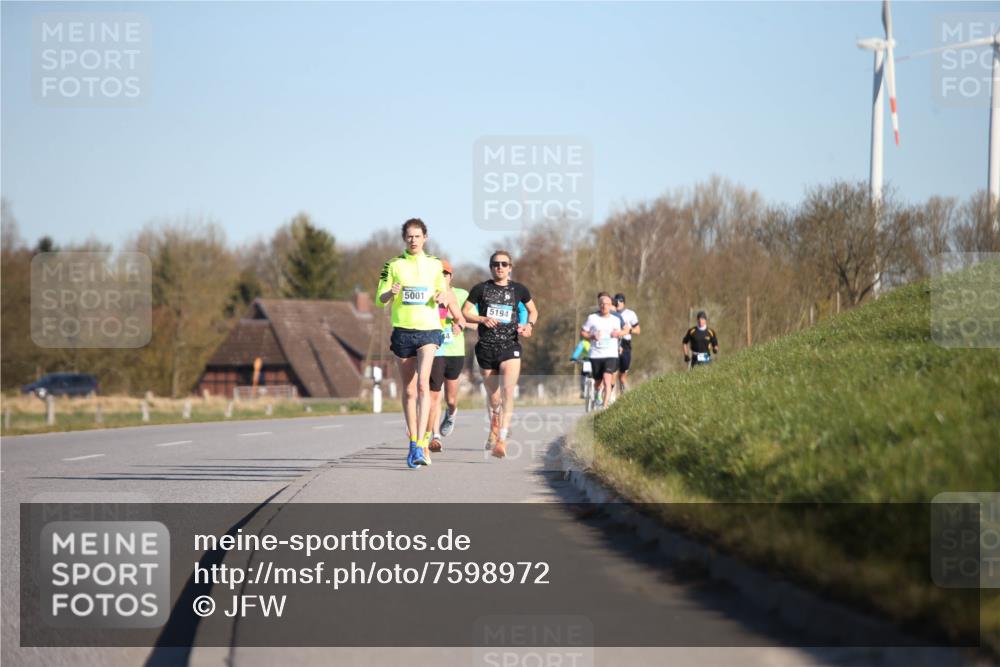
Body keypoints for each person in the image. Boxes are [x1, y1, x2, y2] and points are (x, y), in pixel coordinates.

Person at [377, 218, 466, 469]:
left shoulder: (435, 265)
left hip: (429, 330)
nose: (413, 240)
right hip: (403, 331)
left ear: (425, 237)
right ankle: (413, 440)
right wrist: (390, 293)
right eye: (409, 236)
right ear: (404, 239)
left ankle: (424, 441)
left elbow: (444, 292)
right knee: (408, 390)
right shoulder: (393, 265)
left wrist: (441, 296)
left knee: (425, 386)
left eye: (417, 236)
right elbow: (379, 298)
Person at [463, 249, 538, 458]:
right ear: (491, 267)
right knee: (494, 398)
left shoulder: (519, 290)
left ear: (510, 268)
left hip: (510, 346)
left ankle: (502, 440)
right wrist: (482, 319)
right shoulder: (480, 289)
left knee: (508, 391)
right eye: (496, 264)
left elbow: (534, 311)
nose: (500, 267)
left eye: (504, 264)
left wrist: (529, 326)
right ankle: (494, 425)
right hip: (486, 348)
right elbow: (464, 311)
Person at [428, 260, 473, 453]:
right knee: (434, 395)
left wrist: (460, 325)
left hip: (455, 351)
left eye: (446, 274)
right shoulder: (430, 293)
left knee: (451, 399)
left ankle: (452, 413)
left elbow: (474, 322)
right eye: (440, 274)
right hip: (436, 350)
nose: (443, 277)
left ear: (451, 276)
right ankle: (435, 436)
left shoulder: (462, 295)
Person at [580, 292, 629, 409]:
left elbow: (626, 330)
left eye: (607, 304)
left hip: (611, 354)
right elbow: (582, 332)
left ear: (611, 305)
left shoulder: (616, 318)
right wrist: (592, 336)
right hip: (596, 355)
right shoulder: (592, 318)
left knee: (608, 378)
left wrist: (618, 334)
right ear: (599, 305)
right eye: (602, 304)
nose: (604, 306)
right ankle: (597, 392)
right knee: (598, 381)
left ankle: (604, 406)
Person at [612, 293, 640, 393]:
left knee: (623, 374)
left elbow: (638, 330)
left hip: (625, 343)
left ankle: (623, 393)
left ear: (624, 302)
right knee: (612, 371)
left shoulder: (630, 314)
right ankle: (610, 396)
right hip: (613, 343)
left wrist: (629, 330)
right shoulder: (610, 313)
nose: (618, 303)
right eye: (616, 301)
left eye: (621, 301)